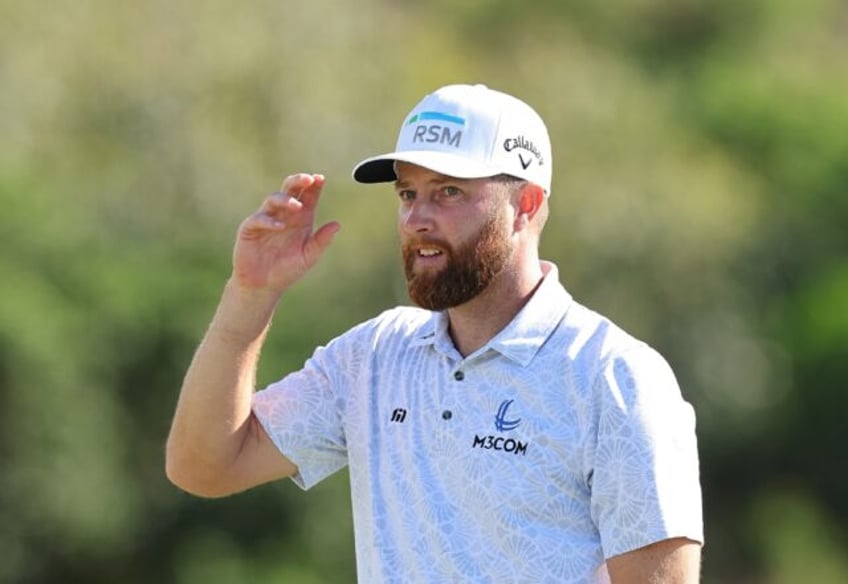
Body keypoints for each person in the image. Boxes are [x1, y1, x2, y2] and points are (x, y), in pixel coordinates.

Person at [166, 83, 704, 583]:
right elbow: (205, 464)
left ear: (526, 205)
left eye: (448, 192)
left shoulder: (614, 376)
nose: (416, 219)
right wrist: (252, 293)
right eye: (407, 194)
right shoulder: (374, 356)